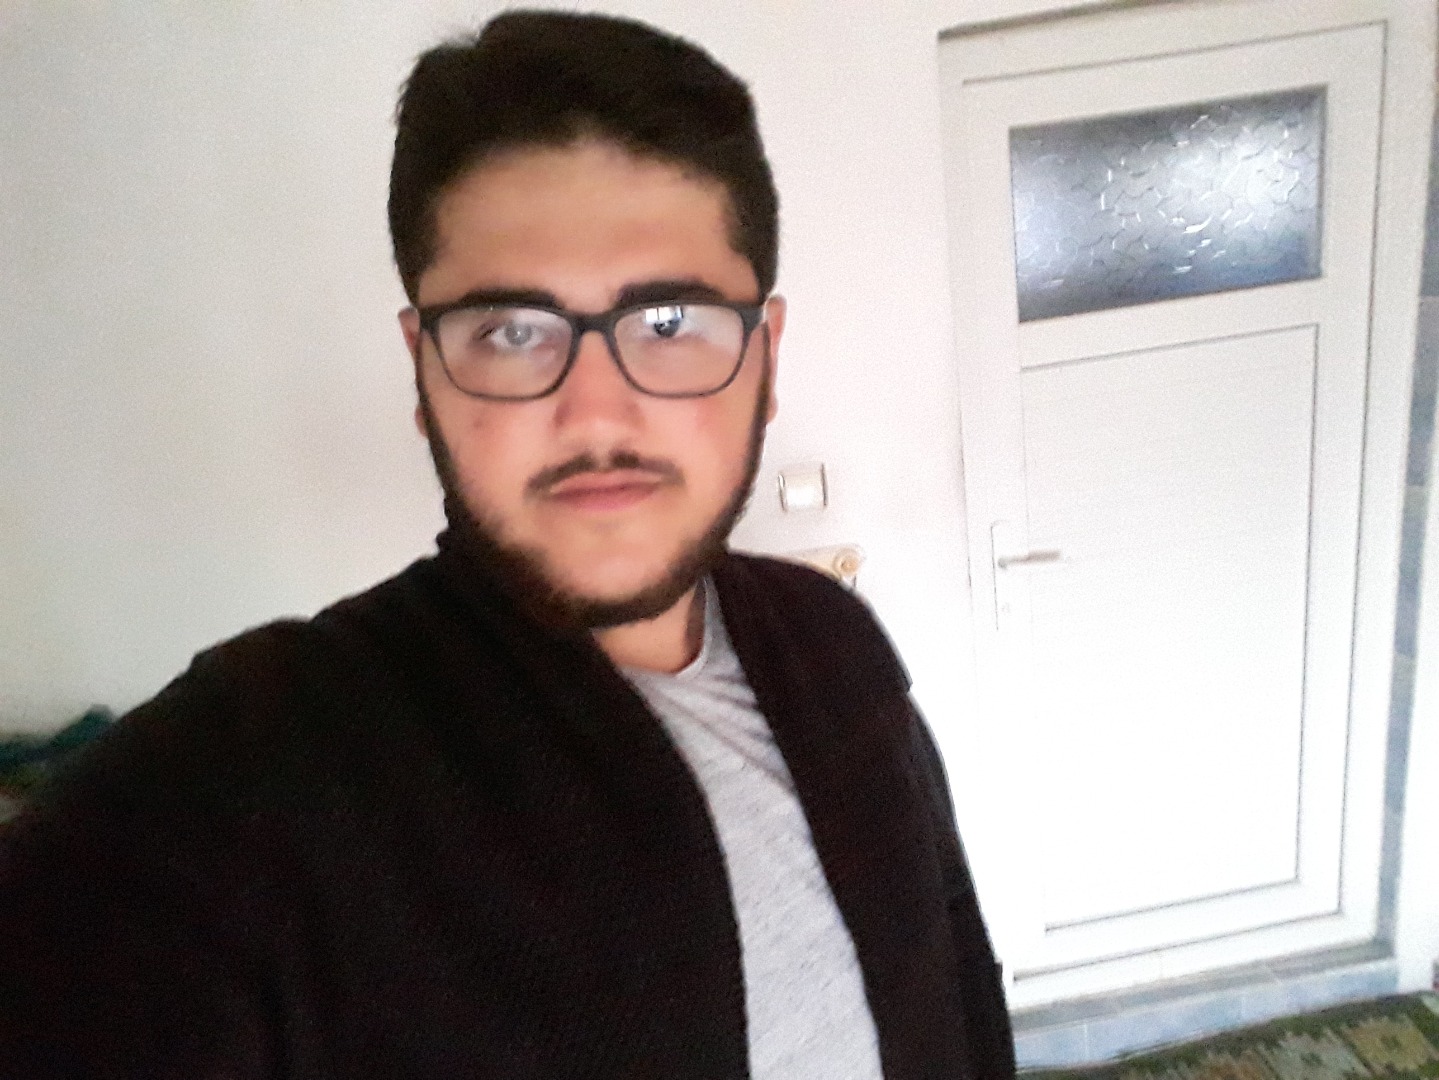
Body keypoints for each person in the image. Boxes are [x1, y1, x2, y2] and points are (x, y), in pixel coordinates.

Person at [0, 10, 1014, 1079]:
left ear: (764, 359)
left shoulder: (832, 639)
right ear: (423, 369)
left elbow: (958, 974)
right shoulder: (254, 773)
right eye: (510, 332)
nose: (595, 414)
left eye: (669, 323)